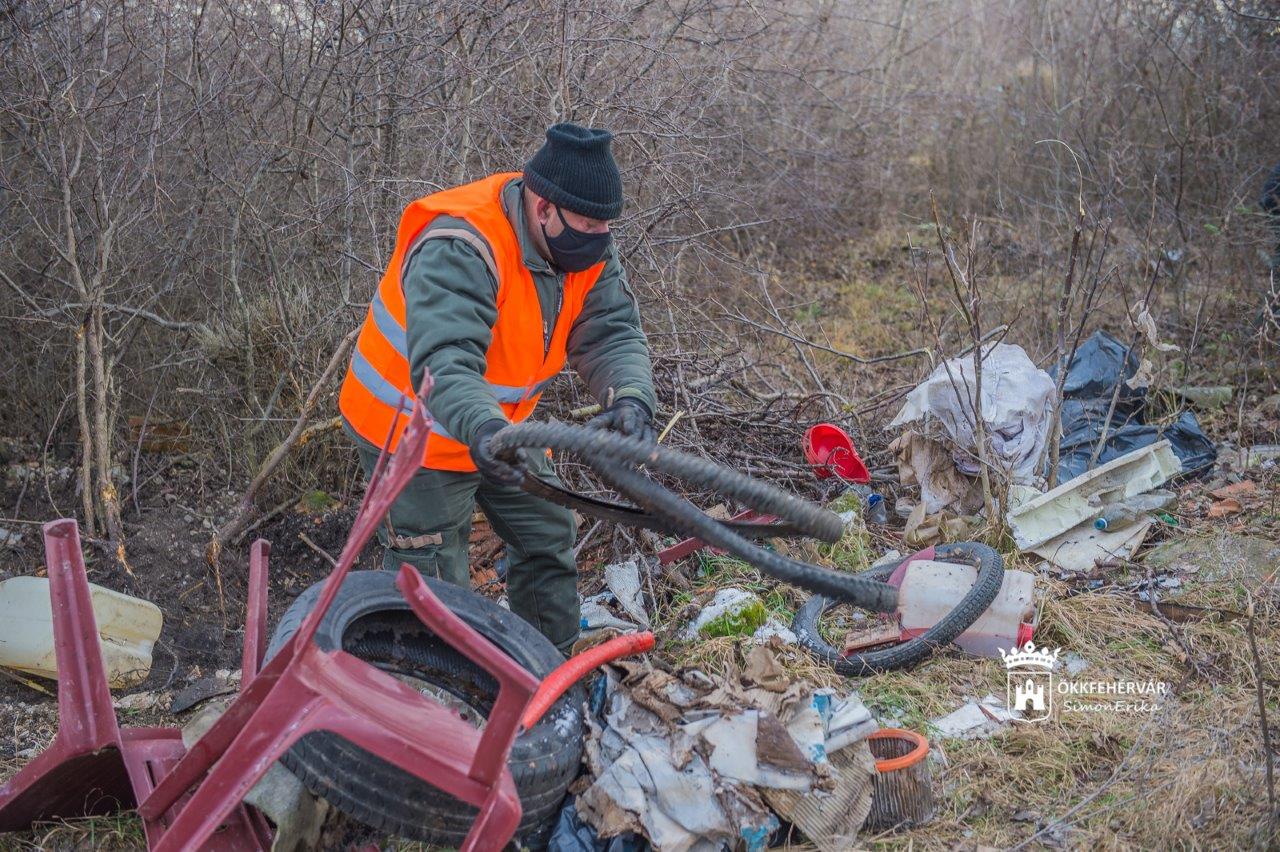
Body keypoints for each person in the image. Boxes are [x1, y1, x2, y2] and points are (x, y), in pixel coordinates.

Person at [338, 123, 657, 654]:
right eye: (587, 223)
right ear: (543, 208)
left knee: (548, 536)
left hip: (500, 427)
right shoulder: (462, 244)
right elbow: (446, 363)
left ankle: (546, 673)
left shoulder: (586, 242)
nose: (599, 236)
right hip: (413, 430)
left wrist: (630, 397)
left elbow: (611, 332)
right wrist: (485, 430)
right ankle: (439, 700)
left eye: (606, 225)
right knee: (436, 582)